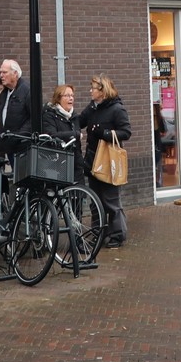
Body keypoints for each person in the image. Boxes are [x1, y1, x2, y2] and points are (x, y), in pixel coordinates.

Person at [80, 74, 132, 247]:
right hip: (93, 160)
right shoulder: (92, 108)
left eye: (93, 88)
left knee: (111, 200)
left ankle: (117, 235)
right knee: (95, 201)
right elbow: (79, 121)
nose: (90, 91)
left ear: (102, 91)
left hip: (109, 161)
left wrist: (105, 133)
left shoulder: (117, 109)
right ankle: (98, 234)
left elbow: (126, 132)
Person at [0, 58, 33, 148]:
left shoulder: (27, 91)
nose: (1, 75)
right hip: (6, 143)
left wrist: (19, 136)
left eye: (4, 72)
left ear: (15, 73)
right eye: (0, 72)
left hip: (22, 145)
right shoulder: (4, 93)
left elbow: (34, 118)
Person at [41, 82, 80, 148]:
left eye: (72, 95)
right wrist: (74, 134)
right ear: (58, 98)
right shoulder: (49, 115)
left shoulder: (74, 116)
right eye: (67, 95)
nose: (71, 98)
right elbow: (52, 136)